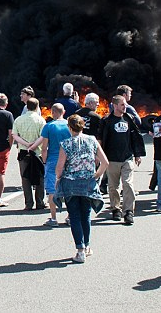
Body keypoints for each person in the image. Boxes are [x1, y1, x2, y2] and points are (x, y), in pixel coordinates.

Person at [55, 113, 109, 263]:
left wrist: (58, 179)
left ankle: (79, 250)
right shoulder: (92, 140)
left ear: (69, 128)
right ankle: (87, 246)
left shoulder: (66, 144)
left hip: (70, 183)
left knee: (74, 216)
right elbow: (105, 162)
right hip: (88, 183)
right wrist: (96, 176)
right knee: (86, 216)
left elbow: (60, 167)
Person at [99, 94, 145, 225]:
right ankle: (115, 209)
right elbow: (100, 139)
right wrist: (100, 157)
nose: (125, 107)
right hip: (112, 159)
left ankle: (128, 212)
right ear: (114, 105)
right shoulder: (106, 120)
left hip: (127, 158)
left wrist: (138, 154)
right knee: (113, 187)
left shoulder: (128, 118)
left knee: (128, 184)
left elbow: (135, 136)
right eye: (122, 104)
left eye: (125, 104)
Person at [31, 103, 70, 226]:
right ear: (63, 112)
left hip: (53, 160)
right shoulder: (70, 126)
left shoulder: (49, 127)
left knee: (52, 189)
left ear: (53, 112)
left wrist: (44, 160)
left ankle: (53, 218)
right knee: (69, 189)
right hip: (68, 160)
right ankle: (70, 216)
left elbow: (44, 147)